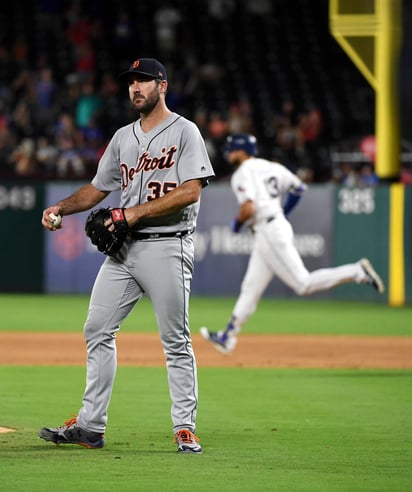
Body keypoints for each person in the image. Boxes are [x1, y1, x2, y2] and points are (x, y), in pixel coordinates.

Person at [39, 58, 215, 453]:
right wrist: (61, 208)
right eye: (131, 82)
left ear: (162, 86)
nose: (136, 88)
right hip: (124, 248)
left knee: (175, 340)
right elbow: (98, 189)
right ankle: (90, 425)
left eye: (144, 81)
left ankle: (184, 426)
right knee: (97, 329)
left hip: (170, 244)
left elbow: (191, 191)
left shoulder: (185, 131)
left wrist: (131, 213)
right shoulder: (122, 137)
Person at [200, 134, 384, 355]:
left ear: (241, 150)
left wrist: (236, 223)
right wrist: (282, 213)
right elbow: (298, 189)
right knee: (250, 288)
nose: (228, 153)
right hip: (272, 227)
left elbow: (249, 209)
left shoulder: (241, 173)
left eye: (231, 149)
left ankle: (356, 271)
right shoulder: (271, 166)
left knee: (303, 284)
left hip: (268, 230)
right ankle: (228, 336)